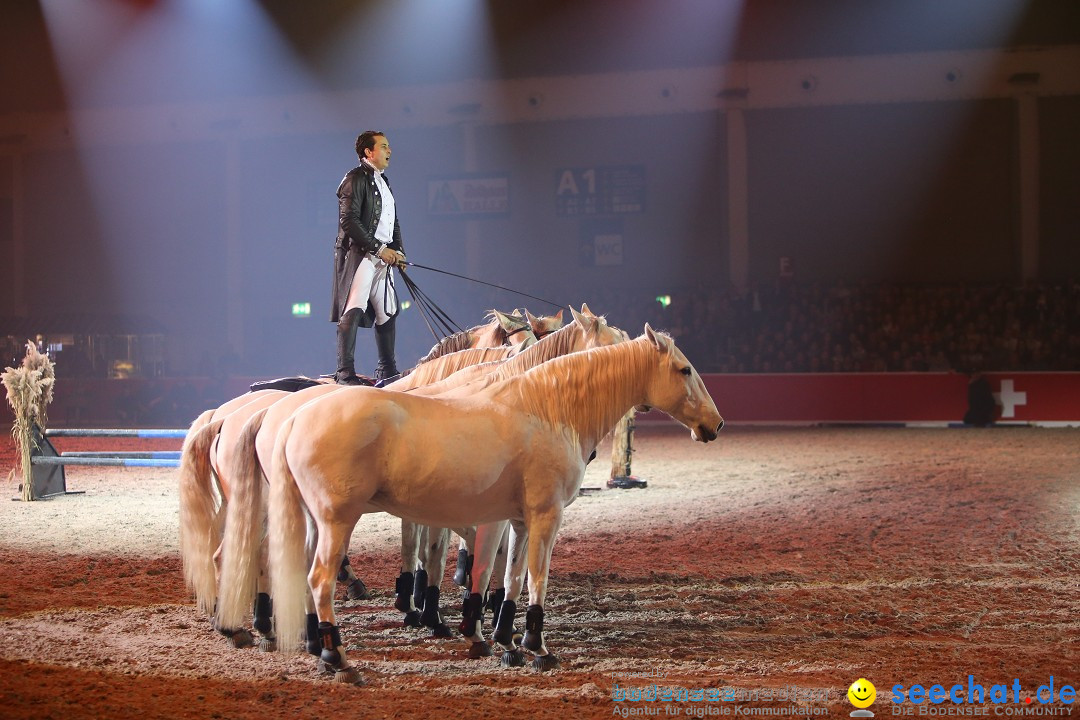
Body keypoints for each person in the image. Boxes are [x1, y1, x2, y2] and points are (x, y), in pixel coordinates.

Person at [331, 130, 407, 385]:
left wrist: (399, 251)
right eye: (384, 146)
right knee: (353, 308)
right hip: (360, 255)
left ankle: (387, 369)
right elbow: (349, 221)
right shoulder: (354, 179)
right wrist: (378, 248)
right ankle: (344, 371)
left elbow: (392, 222)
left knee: (388, 311)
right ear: (368, 152)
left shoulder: (385, 182)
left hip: (383, 257)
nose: (390, 151)